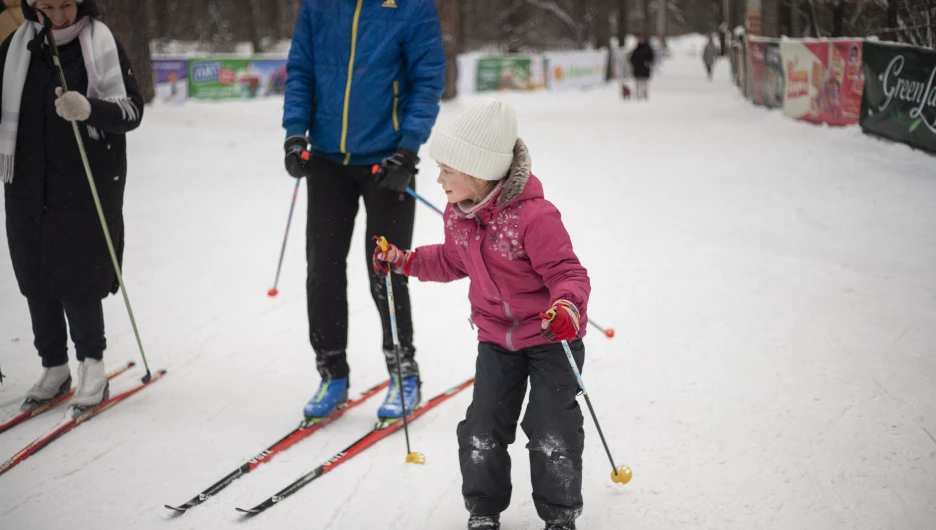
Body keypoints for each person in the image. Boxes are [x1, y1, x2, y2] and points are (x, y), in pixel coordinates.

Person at [374, 98, 591, 530]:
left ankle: (560, 515)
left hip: (551, 338)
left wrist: (567, 306)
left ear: (478, 172)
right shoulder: (460, 216)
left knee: (551, 428)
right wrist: (405, 260)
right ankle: (484, 510)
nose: (438, 180)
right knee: (481, 429)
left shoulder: (534, 217)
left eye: (447, 171)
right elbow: (453, 262)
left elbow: (568, 271)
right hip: (496, 341)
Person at [281, 0, 445, 420]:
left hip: (386, 162)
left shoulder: (411, 6)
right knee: (323, 269)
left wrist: (408, 150)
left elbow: (427, 80)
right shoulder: (318, 5)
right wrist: (295, 136)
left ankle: (403, 373)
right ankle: (332, 372)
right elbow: (301, 70)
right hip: (328, 161)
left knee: (386, 269)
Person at [2, 0, 143, 413]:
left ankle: (92, 364)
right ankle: (54, 365)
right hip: (27, 181)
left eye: (65, 4)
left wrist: (89, 109)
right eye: (47, 6)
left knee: (78, 273)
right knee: (34, 270)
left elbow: (132, 109)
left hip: (85, 180)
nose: (58, 15)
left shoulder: (100, 42)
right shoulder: (17, 47)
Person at [629, 33, 655, 100]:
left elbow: (651, 57)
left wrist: (648, 62)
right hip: (637, 69)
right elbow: (631, 59)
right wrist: (635, 64)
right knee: (637, 83)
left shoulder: (648, 48)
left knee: (644, 83)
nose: (641, 40)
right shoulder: (636, 49)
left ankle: (644, 94)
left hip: (645, 69)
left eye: (642, 39)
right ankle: (638, 95)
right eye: (640, 39)